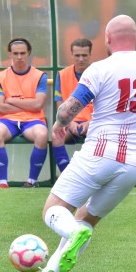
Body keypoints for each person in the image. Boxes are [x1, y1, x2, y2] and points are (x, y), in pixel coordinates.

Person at [28, 15, 136, 272]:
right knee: (87, 219)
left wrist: (58, 124)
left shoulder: (100, 69)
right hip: (134, 162)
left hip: (100, 152)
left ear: (107, 40)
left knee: (53, 210)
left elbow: (70, 109)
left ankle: (71, 234)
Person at [0, 37, 49, 188]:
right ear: (9, 54)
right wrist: (29, 104)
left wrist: (11, 100)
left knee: (42, 134)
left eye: (23, 53)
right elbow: (0, 108)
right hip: (7, 120)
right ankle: (2, 182)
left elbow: (38, 104)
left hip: (33, 120)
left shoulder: (39, 76)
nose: (19, 57)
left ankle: (31, 181)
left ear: (29, 53)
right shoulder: (0, 77)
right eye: (15, 53)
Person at [50, 37, 95, 175]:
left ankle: (96, 177)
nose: (81, 59)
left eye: (84, 55)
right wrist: (70, 123)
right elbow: (60, 104)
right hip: (71, 121)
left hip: (94, 121)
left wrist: (90, 122)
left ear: (90, 55)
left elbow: (106, 106)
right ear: (71, 55)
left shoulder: (99, 73)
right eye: (77, 55)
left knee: (103, 140)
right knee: (56, 135)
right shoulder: (62, 75)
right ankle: (66, 176)